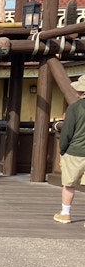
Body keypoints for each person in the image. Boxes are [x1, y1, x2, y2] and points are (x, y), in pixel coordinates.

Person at [54, 76, 85, 223]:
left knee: (69, 185)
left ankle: (65, 213)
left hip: (75, 151)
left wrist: (62, 149)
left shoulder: (75, 107)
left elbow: (67, 131)